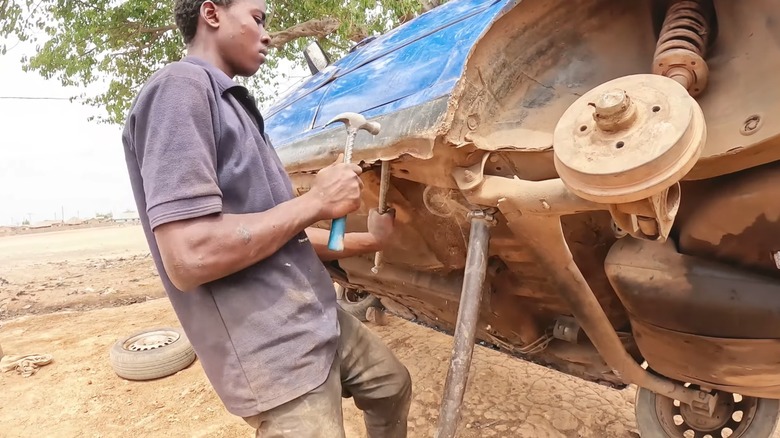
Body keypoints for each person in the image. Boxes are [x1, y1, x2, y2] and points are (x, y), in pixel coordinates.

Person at [120, 0, 412, 436]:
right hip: (273, 350)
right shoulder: (179, 89)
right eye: (257, 19)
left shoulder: (234, 107)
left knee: (391, 385)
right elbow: (189, 256)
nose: (268, 34)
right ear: (212, 14)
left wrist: (369, 241)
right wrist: (316, 201)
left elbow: (279, 233)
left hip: (316, 319)